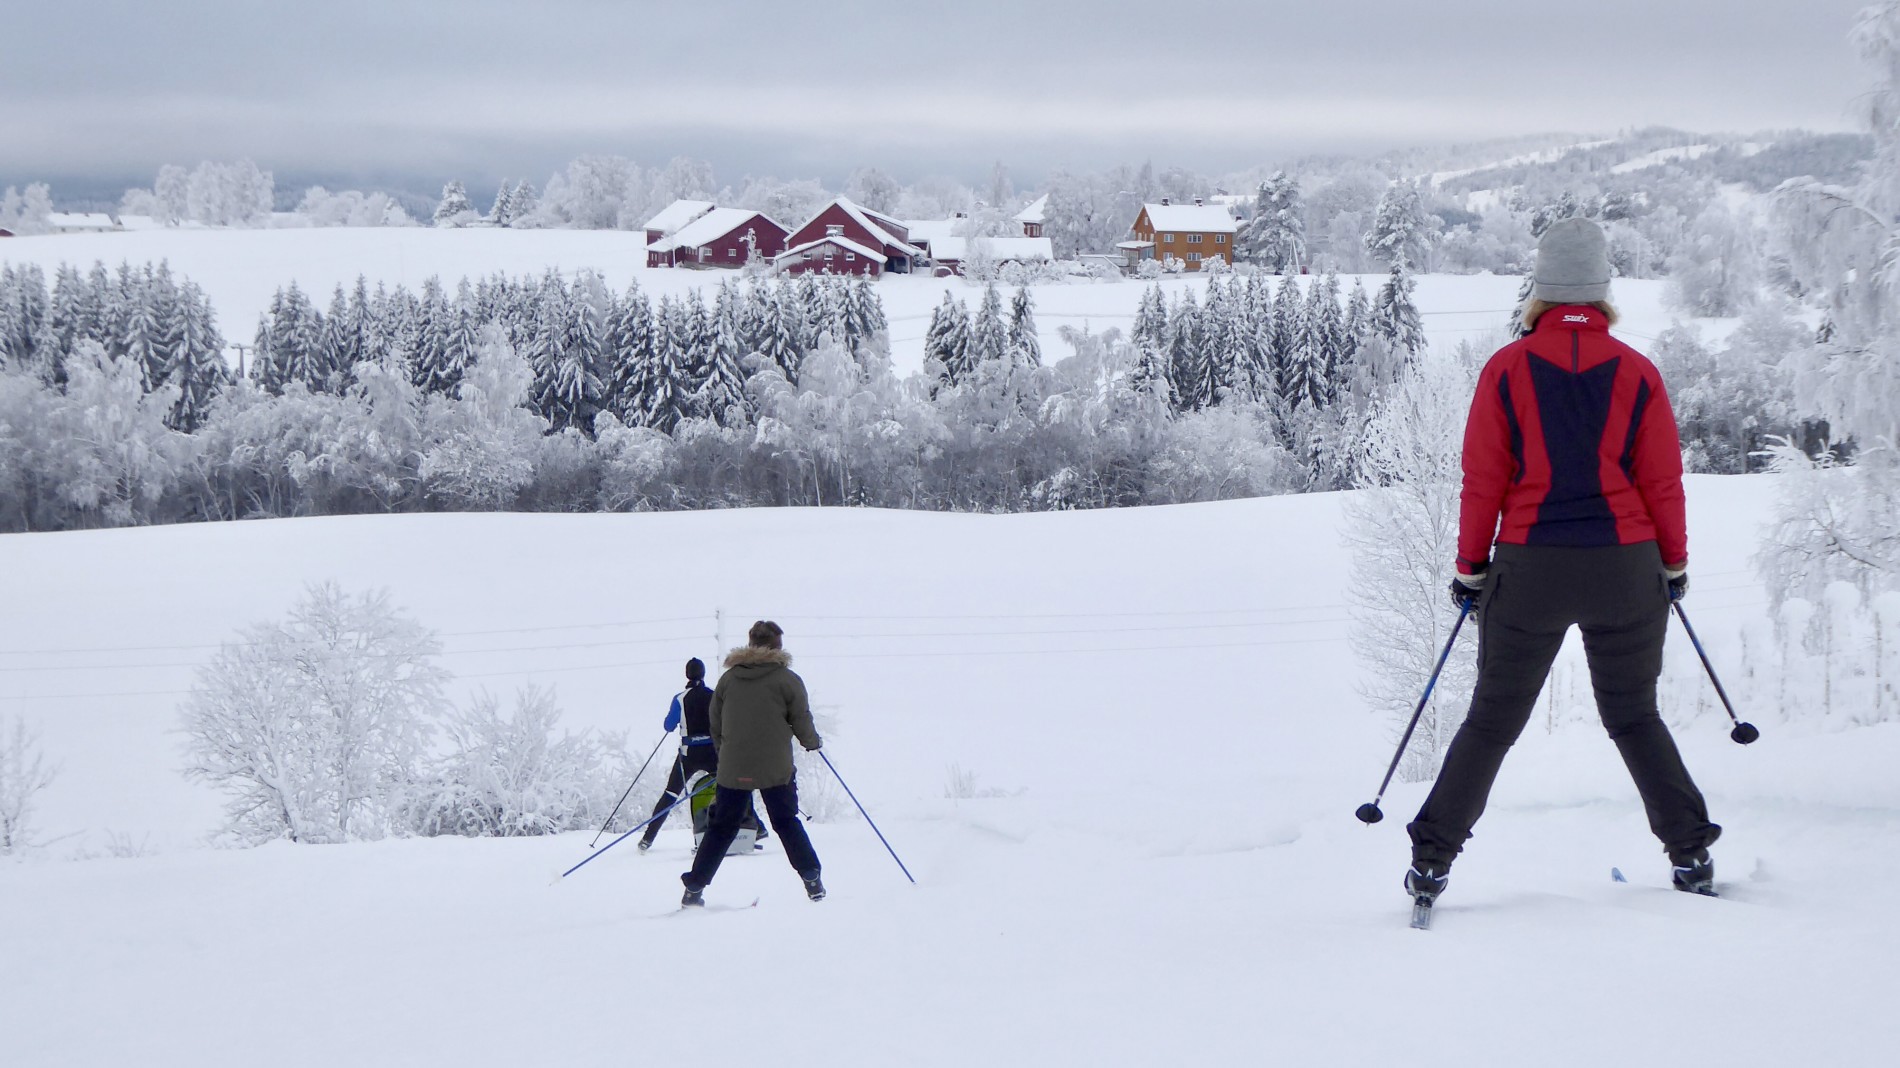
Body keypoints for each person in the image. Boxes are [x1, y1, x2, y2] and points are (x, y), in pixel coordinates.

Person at [1405, 217, 1723, 907]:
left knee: (1492, 721)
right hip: (1627, 569)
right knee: (1635, 716)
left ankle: (1432, 862)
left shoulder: (1506, 369)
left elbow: (1482, 480)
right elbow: (1663, 482)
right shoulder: (1638, 373)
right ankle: (1691, 851)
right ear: (1603, 292)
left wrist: (1469, 567)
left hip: (1532, 570)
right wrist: (1673, 565)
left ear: (1540, 292)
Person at [681, 620, 825, 907]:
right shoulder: (788, 680)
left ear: (750, 644)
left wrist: (727, 756)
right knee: (785, 822)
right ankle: (812, 880)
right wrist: (812, 742)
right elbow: (801, 719)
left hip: (735, 767)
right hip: (776, 768)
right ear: (777, 646)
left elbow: (716, 725)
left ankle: (694, 889)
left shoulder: (729, 680)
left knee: (722, 827)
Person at [637, 658, 763, 853]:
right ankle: (758, 828)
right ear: (703, 674)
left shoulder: (680, 698)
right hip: (713, 752)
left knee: (671, 793)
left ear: (687, 675)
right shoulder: (714, 696)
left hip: (689, 754)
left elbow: (668, 726)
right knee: (732, 788)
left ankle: (648, 838)